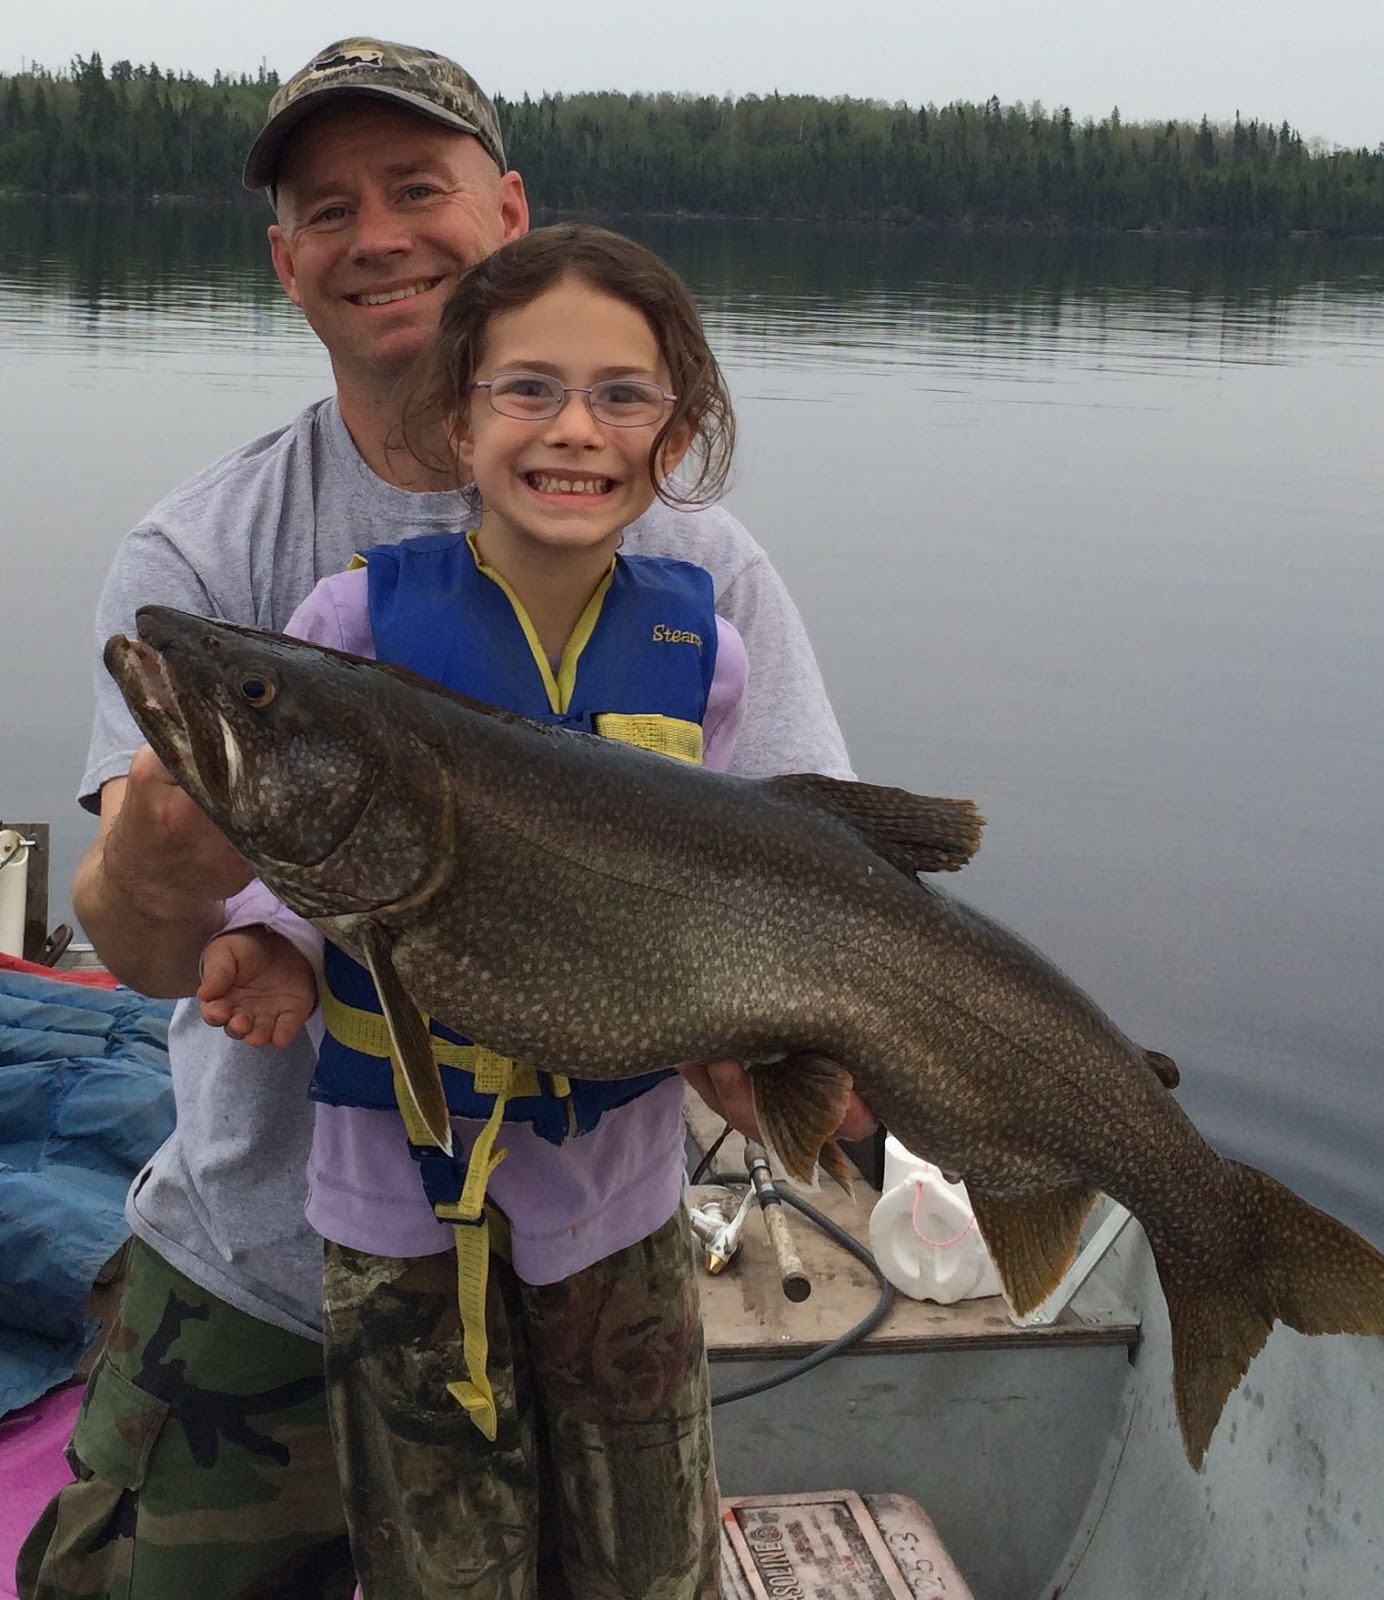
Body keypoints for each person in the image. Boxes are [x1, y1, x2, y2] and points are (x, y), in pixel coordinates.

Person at [18, 37, 867, 1600]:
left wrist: (780, 1059)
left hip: (589, 1250)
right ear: (285, 262)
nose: (379, 236)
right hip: (268, 1256)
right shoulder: (203, 551)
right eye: (328, 210)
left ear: (508, 212)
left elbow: (805, 883)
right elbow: (144, 956)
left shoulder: (694, 570)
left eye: (417, 187)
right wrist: (161, 864)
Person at [199, 222, 748, 1597]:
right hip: (397, 1206)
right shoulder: (349, 626)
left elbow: (725, 883)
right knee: (440, 1569)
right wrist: (267, 936)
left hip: (617, 1200)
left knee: (648, 1560)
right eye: (528, 389)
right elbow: (308, 824)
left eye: (622, 394)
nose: (575, 429)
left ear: (675, 434)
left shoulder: (707, 653)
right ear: (458, 420)